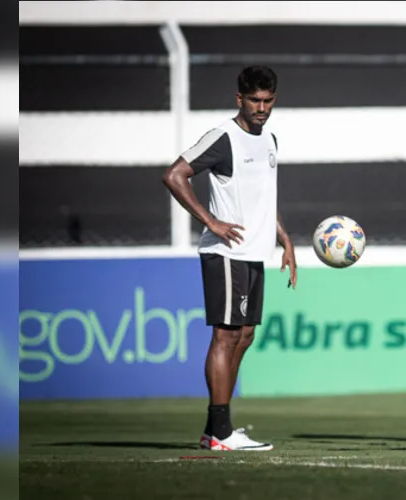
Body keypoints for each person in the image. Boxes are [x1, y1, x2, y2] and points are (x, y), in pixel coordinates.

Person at [162, 65, 296, 452]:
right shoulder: (223, 137)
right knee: (226, 336)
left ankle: (215, 428)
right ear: (239, 99)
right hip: (226, 253)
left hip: (255, 253)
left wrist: (285, 239)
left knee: (245, 336)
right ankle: (221, 432)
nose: (262, 107)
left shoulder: (269, 139)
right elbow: (174, 175)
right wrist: (211, 221)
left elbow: (264, 198)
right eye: (254, 100)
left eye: (268, 100)